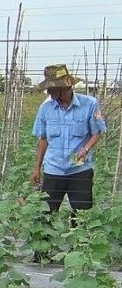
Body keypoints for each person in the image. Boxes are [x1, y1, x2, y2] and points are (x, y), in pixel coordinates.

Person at [30, 64, 107, 220]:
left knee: (82, 217)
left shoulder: (90, 104)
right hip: (53, 169)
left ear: (65, 88)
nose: (48, 92)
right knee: (46, 216)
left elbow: (96, 132)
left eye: (52, 89)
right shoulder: (45, 109)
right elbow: (43, 139)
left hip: (80, 171)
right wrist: (36, 168)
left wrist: (85, 149)